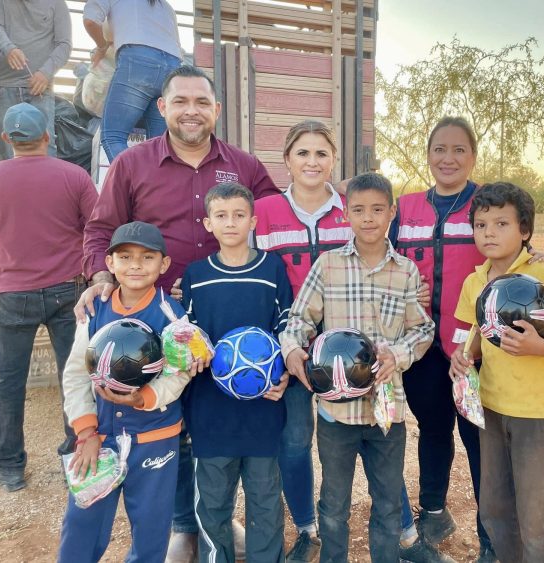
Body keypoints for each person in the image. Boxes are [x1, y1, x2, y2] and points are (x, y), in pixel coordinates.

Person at [77, 64, 280, 561]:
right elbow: (101, 230)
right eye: (181, 101)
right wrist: (101, 278)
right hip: (156, 315)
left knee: (216, 410)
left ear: (216, 110)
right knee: (168, 415)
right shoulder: (131, 164)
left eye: (202, 102)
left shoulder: (245, 165)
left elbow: (279, 216)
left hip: (227, 312)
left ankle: (214, 515)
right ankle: (184, 525)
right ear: (163, 107)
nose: (192, 111)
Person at [390, 116, 544, 562]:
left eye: (459, 149)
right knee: (432, 431)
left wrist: (539, 255)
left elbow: (520, 244)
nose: (448, 158)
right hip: (424, 347)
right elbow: (384, 259)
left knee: (482, 442)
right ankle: (435, 513)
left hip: (477, 351)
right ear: (427, 155)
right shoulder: (404, 209)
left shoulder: (485, 205)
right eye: (439, 149)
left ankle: (491, 538)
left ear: (473, 157)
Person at [281, 172, 435, 563]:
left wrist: (398, 355)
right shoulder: (328, 265)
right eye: (359, 210)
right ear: (346, 214)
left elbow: (423, 329)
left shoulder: (406, 271)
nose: (368, 218)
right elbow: (299, 321)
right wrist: (293, 351)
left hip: (388, 413)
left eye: (378, 210)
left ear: (392, 213)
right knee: (333, 503)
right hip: (337, 414)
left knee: (386, 502)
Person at [0, 103, 98, 491]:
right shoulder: (74, 176)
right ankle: (75, 454)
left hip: (12, 292)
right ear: (48, 136)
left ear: (7, 139)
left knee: (9, 379)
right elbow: (95, 227)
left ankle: (9, 466)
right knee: (73, 375)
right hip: (67, 291)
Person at [450, 182, 544, 562]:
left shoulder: (540, 277)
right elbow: (473, 338)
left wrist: (537, 346)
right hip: (491, 411)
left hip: (539, 415)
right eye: (481, 224)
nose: (489, 232)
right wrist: (462, 357)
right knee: (496, 510)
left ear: (524, 231)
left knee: (540, 519)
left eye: (502, 223)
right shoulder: (474, 282)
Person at [58, 221, 195, 562]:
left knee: (150, 532)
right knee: (81, 525)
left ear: (163, 265)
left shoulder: (173, 315)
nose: (135, 265)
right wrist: (86, 431)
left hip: (155, 437)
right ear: (110, 263)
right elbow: (76, 373)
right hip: (100, 440)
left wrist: (143, 398)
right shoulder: (94, 310)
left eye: (147, 257)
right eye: (125, 256)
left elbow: (178, 375)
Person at [180, 183, 293, 562]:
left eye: (239, 215)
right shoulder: (196, 275)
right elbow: (189, 334)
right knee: (212, 504)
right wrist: (193, 355)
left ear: (253, 221)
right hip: (211, 411)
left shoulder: (271, 268)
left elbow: (287, 328)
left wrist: (283, 377)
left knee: (264, 500)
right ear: (208, 223)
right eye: (222, 216)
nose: (231, 223)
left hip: (263, 408)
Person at [253, 120, 349, 561]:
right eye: (303, 153)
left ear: (334, 160)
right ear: (287, 160)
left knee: (362, 437)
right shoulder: (265, 211)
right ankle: (307, 529)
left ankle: (400, 525)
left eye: (322, 153)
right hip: (286, 349)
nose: (313, 161)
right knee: (294, 442)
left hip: (346, 352)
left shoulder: (353, 210)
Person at [83, 0, 184, 161]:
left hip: (138, 61)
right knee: (160, 145)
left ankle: (134, 184)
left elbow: (90, 20)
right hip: (173, 68)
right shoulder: (165, 6)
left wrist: (101, 47)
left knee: (113, 137)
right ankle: (157, 185)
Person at [0, 0, 72, 160]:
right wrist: (8, 48)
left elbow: (64, 44)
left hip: (40, 89)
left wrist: (46, 73)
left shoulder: (57, 4)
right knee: (9, 152)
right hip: (4, 86)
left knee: (45, 151)